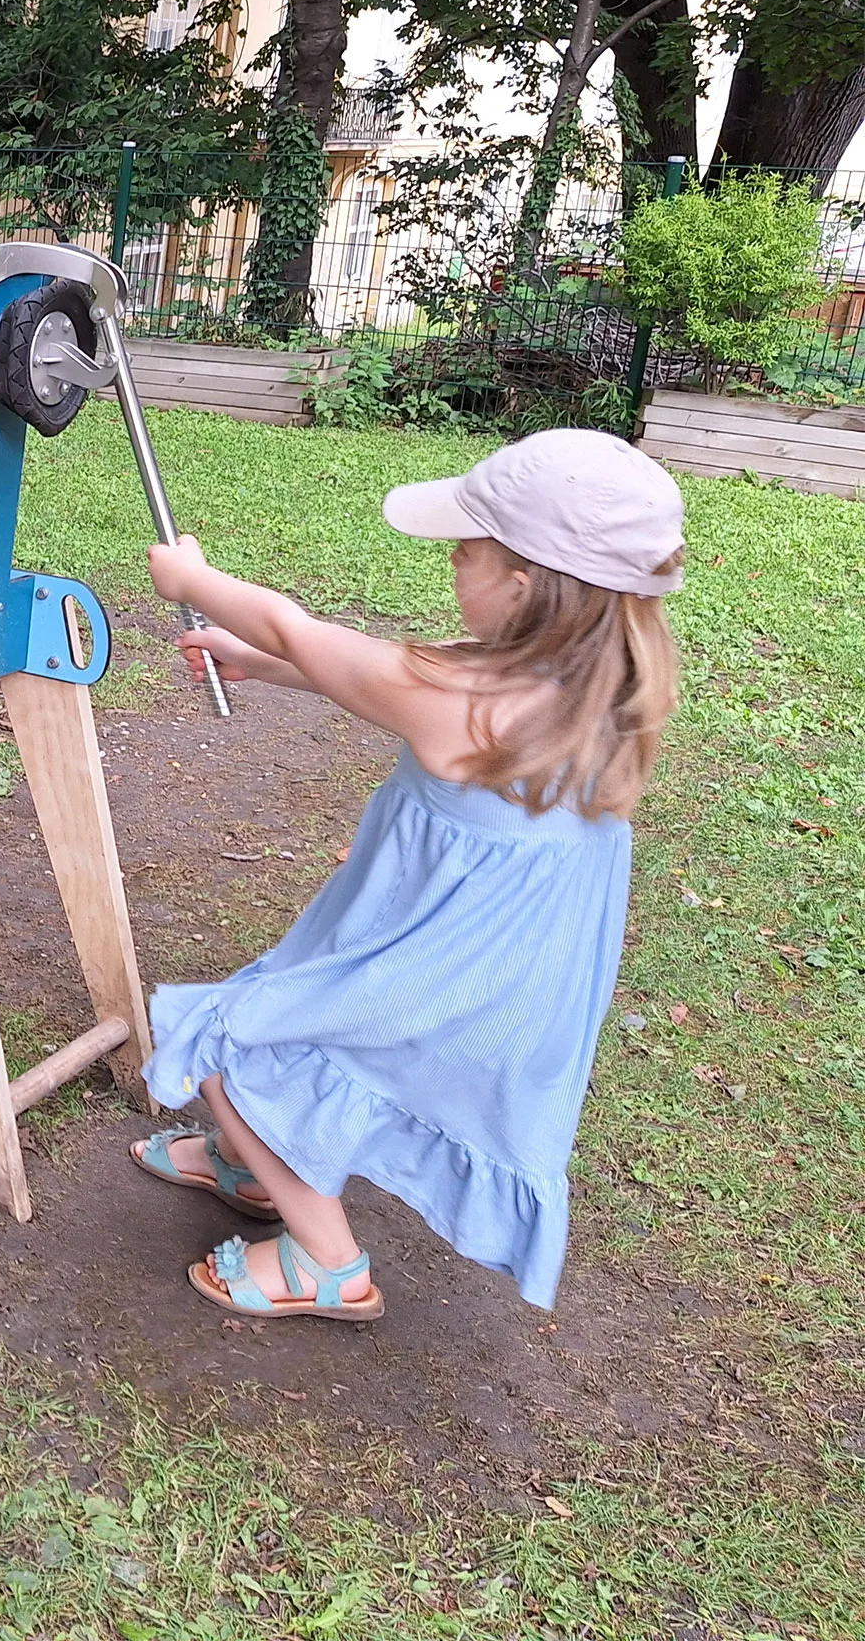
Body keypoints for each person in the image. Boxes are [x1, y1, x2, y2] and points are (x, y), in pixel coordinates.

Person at [132, 428, 685, 1320]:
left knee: (233, 1042)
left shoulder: (460, 699)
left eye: (465, 550)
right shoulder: (590, 684)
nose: (451, 563)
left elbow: (299, 629)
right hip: (487, 954)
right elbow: (346, 671)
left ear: (521, 582)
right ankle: (258, 1166)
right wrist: (259, 664)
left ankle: (326, 1262)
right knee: (293, 1018)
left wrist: (195, 581)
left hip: (438, 961)